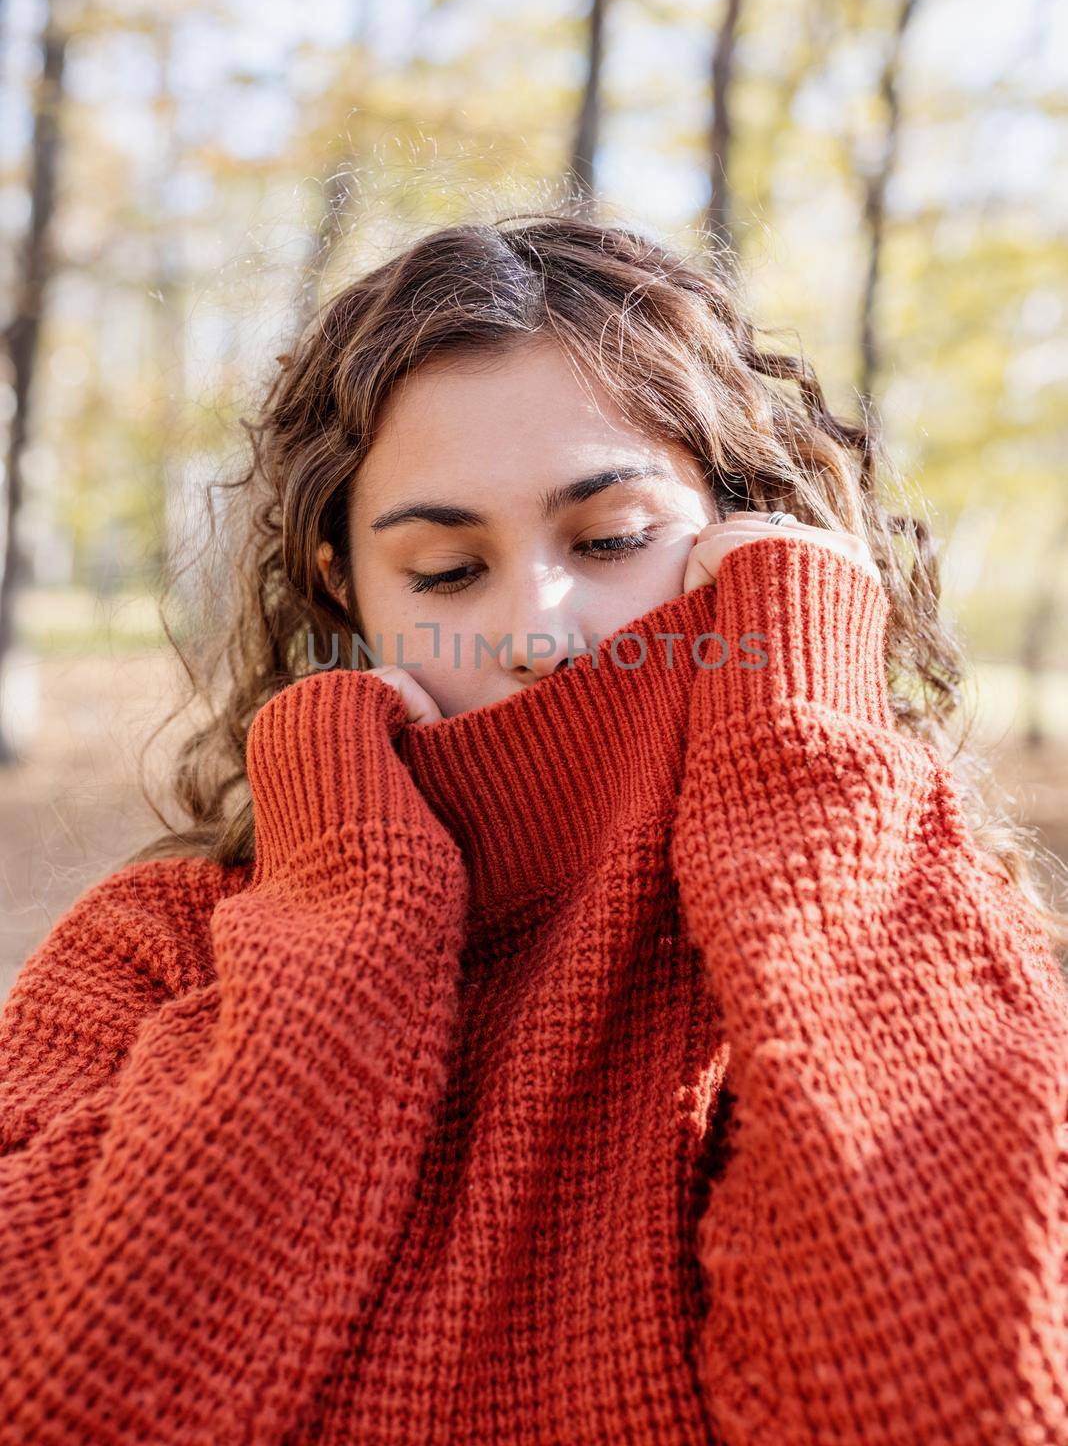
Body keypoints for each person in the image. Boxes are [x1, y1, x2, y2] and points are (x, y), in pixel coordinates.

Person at [1, 211, 1066, 1446]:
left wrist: (803, 762)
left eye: (611, 539)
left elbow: (969, 1394)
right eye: (447, 571)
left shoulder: (878, 909)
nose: (539, 631)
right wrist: (350, 904)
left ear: (741, 533)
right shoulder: (156, 957)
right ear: (347, 592)